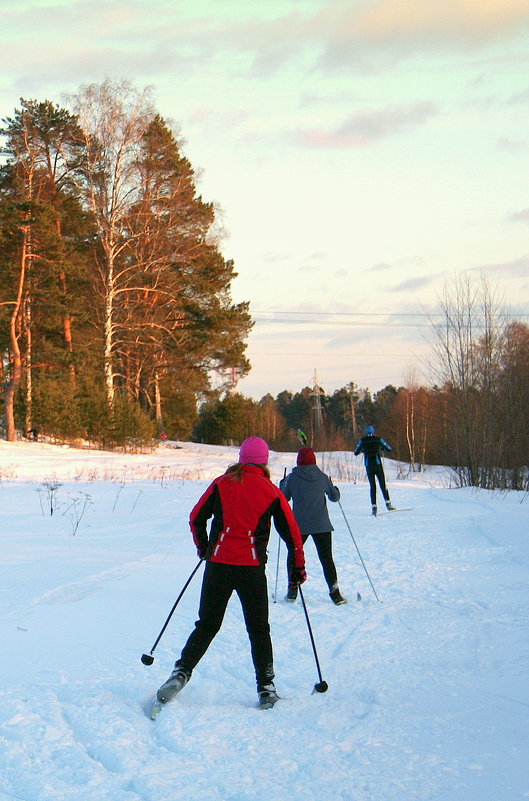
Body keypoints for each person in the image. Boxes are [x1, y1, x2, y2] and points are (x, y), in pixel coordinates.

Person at [155, 436, 306, 711]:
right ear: (263, 461)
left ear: (241, 458)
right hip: (251, 569)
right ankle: (266, 687)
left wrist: (204, 548)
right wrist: (298, 568)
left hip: (218, 566)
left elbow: (196, 517)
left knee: (207, 624)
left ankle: (181, 672)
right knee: (259, 629)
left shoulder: (222, 483)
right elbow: (293, 535)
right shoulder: (271, 491)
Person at [280, 447, 346, 605]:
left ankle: (292, 589)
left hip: (299, 526)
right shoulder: (323, 477)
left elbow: (283, 498)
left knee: (294, 555)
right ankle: (335, 592)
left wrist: (282, 484)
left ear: (298, 461)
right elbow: (334, 497)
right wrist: (334, 487)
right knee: (326, 558)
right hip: (321, 524)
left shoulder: (292, 478)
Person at [354, 425, 395, 516]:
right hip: (378, 464)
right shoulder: (378, 439)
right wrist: (382, 448)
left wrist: (363, 450)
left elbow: (356, 452)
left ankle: (374, 507)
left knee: (372, 486)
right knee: (382, 484)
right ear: (373, 431)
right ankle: (388, 503)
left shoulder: (363, 441)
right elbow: (389, 448)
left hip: (369, 466)